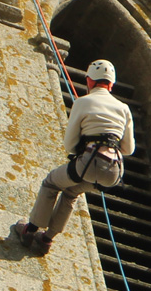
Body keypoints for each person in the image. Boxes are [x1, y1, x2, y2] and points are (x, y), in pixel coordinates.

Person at [10, 59, 135, 257]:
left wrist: (84, 144)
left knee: (51, 183)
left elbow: (69, 143)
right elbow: (128, 148)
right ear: (111, 85)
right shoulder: (124, 108)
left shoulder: (82, 102)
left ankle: (30, 231)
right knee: (71, 193)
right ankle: (46, 239)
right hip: (114, 172)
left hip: (88, 163)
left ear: (89, 81)